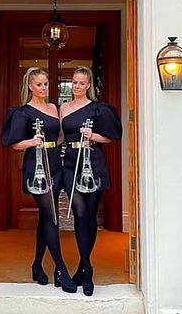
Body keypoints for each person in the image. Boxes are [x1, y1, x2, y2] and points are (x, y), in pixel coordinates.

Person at [1, 67, 77, 293]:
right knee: (52, 216)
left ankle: (37, 265)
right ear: (30, 87)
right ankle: (61, 269)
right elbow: (14, 144)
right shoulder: (23, 112)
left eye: (45, 84)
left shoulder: (54, 107)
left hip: (55, 162)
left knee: (46, 217)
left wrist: (56, 145)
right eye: (39, 85)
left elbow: (60, 135)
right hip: (36, 166)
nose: (44, 88)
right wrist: (32, 142)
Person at [60, 66, 122, 297]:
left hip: (91, 162)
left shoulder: (98, 109)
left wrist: (93, 136)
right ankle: (87, 268)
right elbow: (60, 136)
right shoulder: (63, 108)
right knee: (79, 215)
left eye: (81, 83)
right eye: (74, 82)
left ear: (88, 86)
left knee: (90, 216)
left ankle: (83, 269)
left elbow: (112, 137)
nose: (77, 86)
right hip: (70, 163)